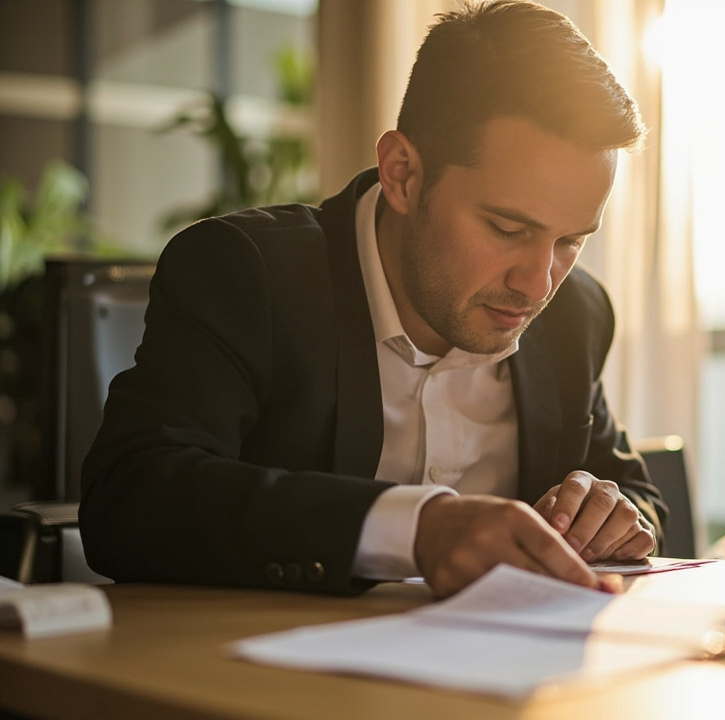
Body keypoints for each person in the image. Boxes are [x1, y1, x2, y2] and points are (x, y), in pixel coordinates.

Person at [80, 0, 665, 599]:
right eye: (507, 229)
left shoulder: (575, 314)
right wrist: (417, 527)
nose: (538, 284)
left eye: (570, 241)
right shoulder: (247, 273)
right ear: (401, 173)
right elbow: (130, 497)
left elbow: (635, 496)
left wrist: (609, 517)